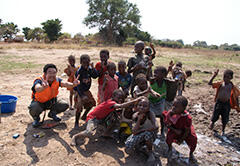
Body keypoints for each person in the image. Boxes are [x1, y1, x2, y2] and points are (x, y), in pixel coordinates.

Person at [71, 89, 144, 146]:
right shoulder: (111, 103)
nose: (120, 100)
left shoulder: (113, 103)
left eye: (121, 99)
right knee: (89, 133)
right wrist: (135, 100)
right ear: (113, 97)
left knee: (116, 119)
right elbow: (121, 106)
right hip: (92, 118)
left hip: (101, 119)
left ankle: (105, 133)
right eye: (118, 98)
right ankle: (75, 136)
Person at [162, 96, 197, 162]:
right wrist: (174, 129)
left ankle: (191, 153)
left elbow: (187, 131)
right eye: (173, 105)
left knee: (193, 139)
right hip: (175, 128)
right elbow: (167, 125)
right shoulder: (171, 113)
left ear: (183, 108)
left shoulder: (187, 118)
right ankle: (170, 148)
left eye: (176, 107)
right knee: (169, 137)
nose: (173, 108)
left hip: (185, 131)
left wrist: (181, 139)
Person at [125, 97, 159, 162]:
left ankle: (150, 152)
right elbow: (134, 132)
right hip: (140, 133)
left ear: (149, 108)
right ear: (137, 106)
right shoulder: (135, 115)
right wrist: (139, 120)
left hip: (151, 135)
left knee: (147, 134)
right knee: (128, 146)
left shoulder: (150, 114)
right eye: (140, 105)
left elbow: (156, 126)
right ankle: (141, 147)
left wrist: (142, 130)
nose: (142, 107)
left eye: (145, 106)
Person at [208, 69, 240, 135]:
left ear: (231, 78)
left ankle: (223, 129)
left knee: (225, 117)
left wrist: (237, 106)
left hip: (227, 104)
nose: (226, 79)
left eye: (228, 77)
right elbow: (210, 83)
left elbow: (236, 96)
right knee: (215, 113)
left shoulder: (232, 87)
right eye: (224, 77)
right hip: (219, 102)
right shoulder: (220, 84)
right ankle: (212, 123)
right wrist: (214, 76)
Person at [73, 54, 98, 128]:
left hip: (86, 90)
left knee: (92, 103)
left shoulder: (89, 69)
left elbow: (95, 76)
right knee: (79, 107)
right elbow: (78, 85)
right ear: (81, 62)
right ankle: (76, 122)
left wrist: (93, 68)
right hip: (79, 90)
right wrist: (82, 95)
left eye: (87, 62)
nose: (86, 64)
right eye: (84, 63)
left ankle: (84, 115)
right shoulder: (79, 71)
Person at [149, 66, 168, 136]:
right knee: (150, 114)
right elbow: (148, 76)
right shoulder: (153, 81)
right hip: (151, 100)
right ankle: (152, 129)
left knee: (162, 115)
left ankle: (162, 131)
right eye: (154, 72)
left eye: (156, 72)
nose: (154, 74)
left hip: (160, 101)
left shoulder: (166, 82)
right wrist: (148, 69)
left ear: (163, 75)